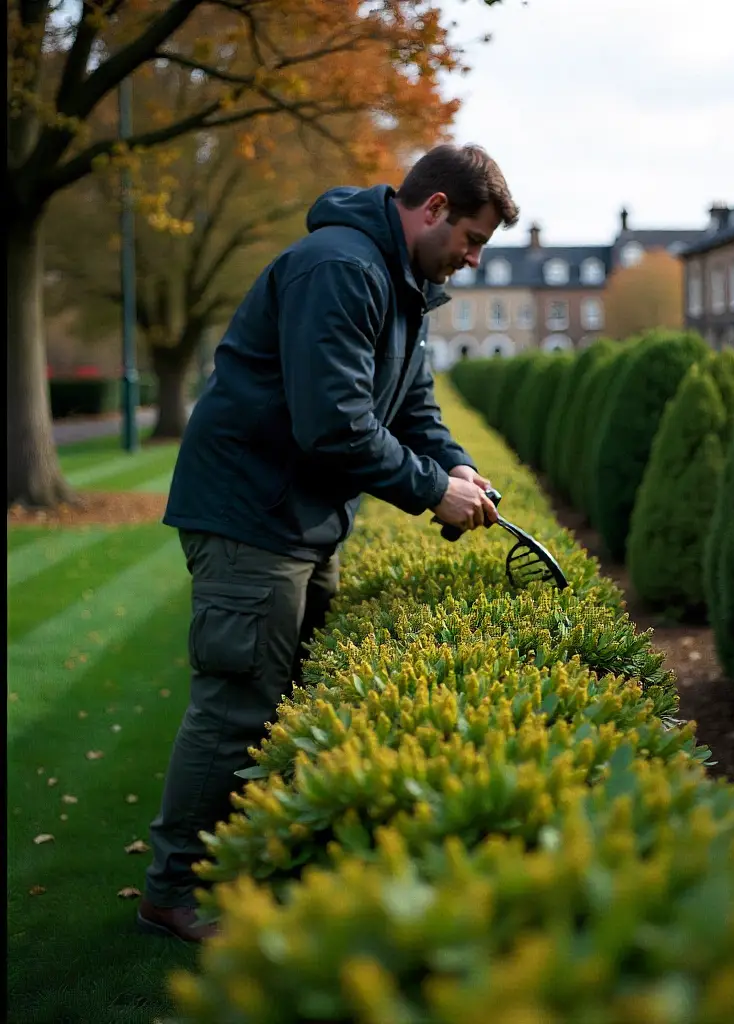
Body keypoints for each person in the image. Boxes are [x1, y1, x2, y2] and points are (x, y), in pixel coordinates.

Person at [137, 143, 519, 942]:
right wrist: (428, 492)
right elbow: (333, 424)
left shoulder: (406, 284)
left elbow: (411, 406)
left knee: (282, 702)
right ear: (436, 208)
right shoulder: (341, 268)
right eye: (472, 241)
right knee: (237, 708)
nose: (473, 260)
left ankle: (238, 870)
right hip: (250, 515)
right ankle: (173, 893)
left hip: (304, 519)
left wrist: (456, 464)